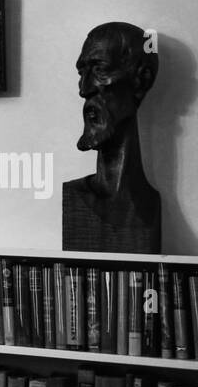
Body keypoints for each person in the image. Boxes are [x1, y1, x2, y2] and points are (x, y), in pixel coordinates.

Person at [61, 22, 161, 253]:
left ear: (141, 80)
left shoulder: (147, 204)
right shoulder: (77, 195)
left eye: (99, 69)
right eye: (81, 73)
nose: (84, 90)